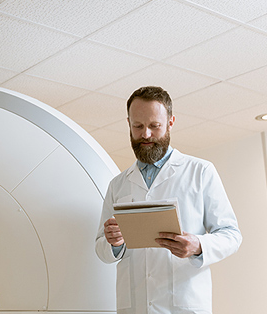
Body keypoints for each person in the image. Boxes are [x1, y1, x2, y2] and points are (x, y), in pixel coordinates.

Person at [95, 86, 242, 314]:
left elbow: (231, 235)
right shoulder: (118, 184)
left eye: (155, 126)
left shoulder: (200, 171)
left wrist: (198, 246)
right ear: (129, 124)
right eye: (138, 126)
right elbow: (101, 247)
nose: (146, 134)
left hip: (184, 305)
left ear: (171, 122)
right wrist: (114, 243)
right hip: (135, 306)